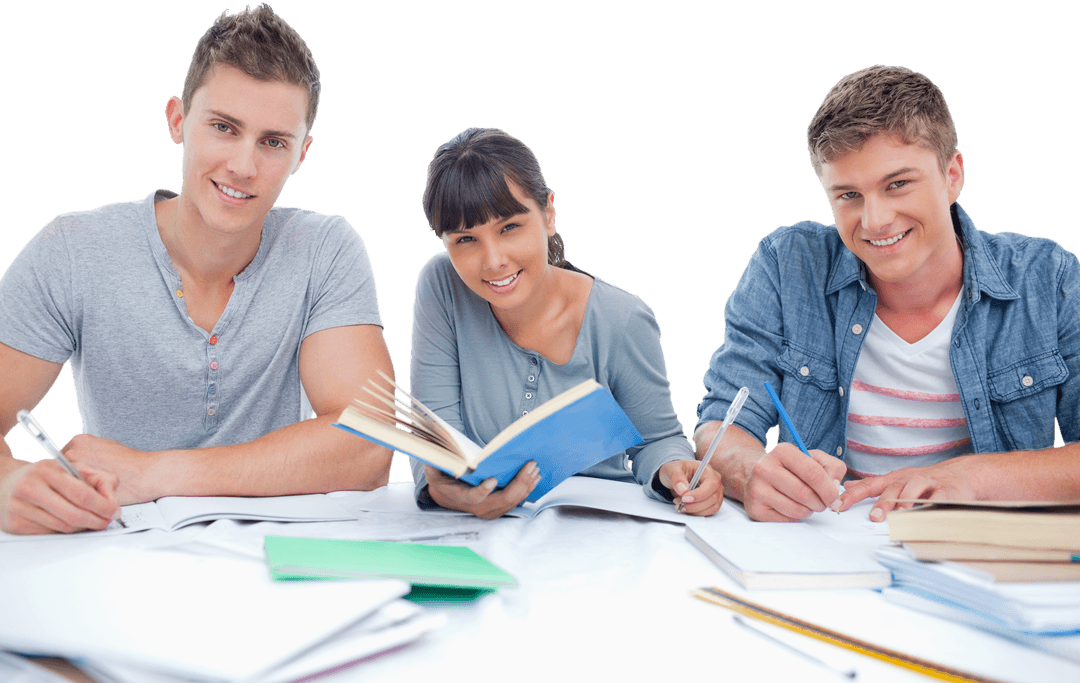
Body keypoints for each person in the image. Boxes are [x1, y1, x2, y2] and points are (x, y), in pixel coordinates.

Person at [0, 4, 394, 535]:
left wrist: (153, 472)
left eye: (273, 142)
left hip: (272, 556)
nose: (243, 166)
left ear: (302, 153)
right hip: (115, 556)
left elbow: (369, 447)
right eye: (224, 128)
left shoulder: (325, 249)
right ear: (178, 121)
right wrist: (8, 484)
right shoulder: (73, 250)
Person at [696, 65, 1080, 523]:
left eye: (897, 184)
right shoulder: (787, 264)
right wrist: (750, 469)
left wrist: (969, 478)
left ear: (953, 175)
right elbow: (722, 421)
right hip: (826, 546)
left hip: (979, 551)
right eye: (849, 195)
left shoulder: (1048, 278)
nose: (874, 220)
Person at [408, 127, 721, 519]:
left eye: (509, 228)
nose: (493, 261)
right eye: (465, 240)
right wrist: (450, 494)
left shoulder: (622, 320)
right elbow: (435, 445)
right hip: (476, 535)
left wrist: (673, 472)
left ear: (548, 212)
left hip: (598, 536)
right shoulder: (442, 286)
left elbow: (658, 441)